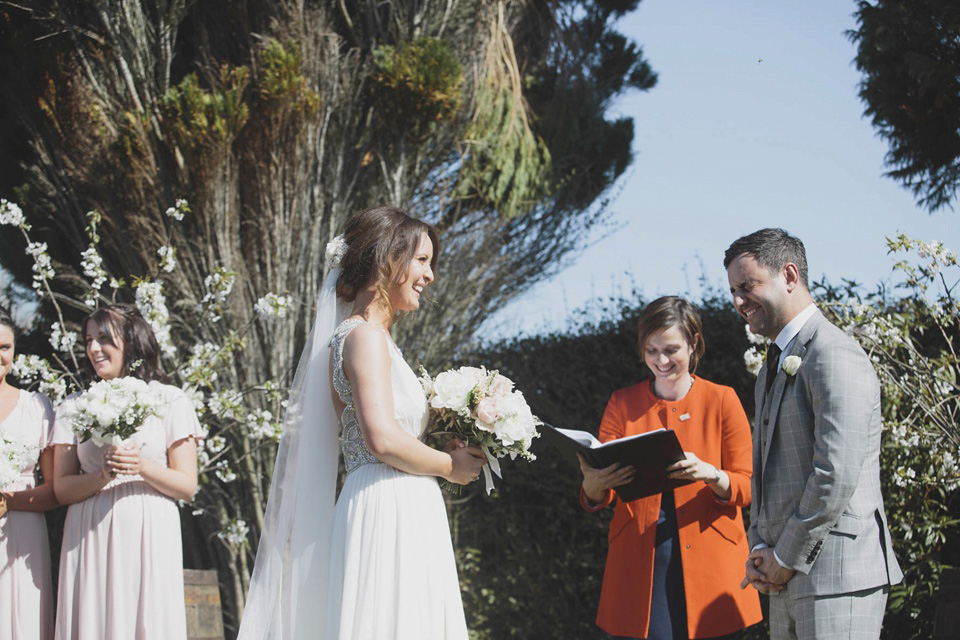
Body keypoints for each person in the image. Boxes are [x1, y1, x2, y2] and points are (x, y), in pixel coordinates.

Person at [237, 206, 486, 640]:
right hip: (386, 502)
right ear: (388, 258)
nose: (430, 276)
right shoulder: (364, 337)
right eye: (422, 261)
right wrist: (451, 468)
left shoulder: (369, 338)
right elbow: (382, 438)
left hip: (400, 498)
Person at [724, 228, 903, 640]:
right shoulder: (773, 365)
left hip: (838, 576)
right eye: (733, 290)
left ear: (789, 275)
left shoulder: (833, 353)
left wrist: (784, 555)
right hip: (783, 575)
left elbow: (834, 471)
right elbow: (766, 473)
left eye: (747, 286)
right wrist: (758, 550)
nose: (737, 302)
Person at [579, 296, 762, 639]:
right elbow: (599, 489)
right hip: (640, 561)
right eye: (651, 351)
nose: (661, 361)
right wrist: (593, 487)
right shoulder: (622, 402)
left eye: (671, 349)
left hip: (711, 559)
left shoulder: (722, 399)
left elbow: (748, 485)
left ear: (694, 344)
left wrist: (712, 475)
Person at [51, 304, 202, 640]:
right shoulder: (73, 406)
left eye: (103, 338)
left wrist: (141, 466)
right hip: (89, 533)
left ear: (132, 340)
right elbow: (61, 489)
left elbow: (187, 485)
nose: (93, 348)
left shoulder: (169, 399)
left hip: (150, 532)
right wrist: (100, 475)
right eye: (88, 340)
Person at [0, 306, 58, 639]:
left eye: (4, 347)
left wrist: (11, 501)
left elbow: (54, 491)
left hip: (22, 533)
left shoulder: (36, 407)